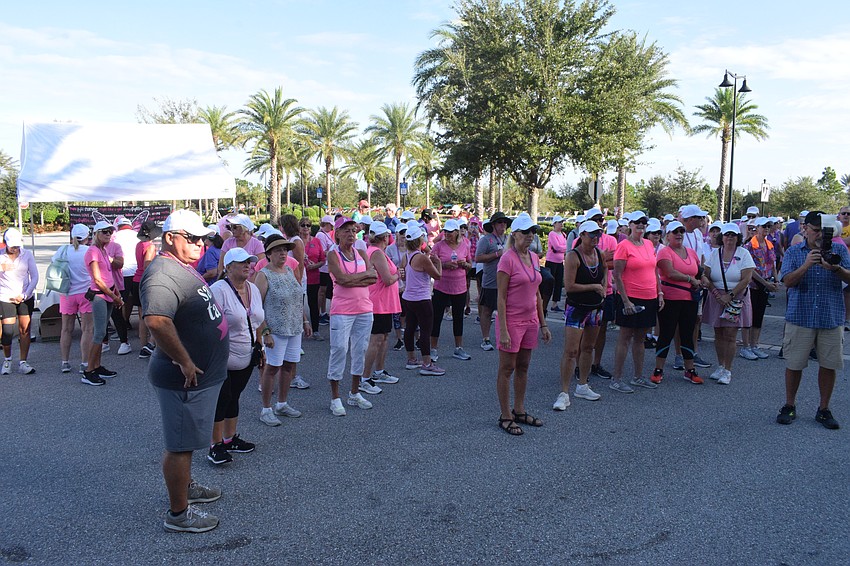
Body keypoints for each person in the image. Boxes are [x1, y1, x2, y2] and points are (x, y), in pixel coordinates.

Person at [140, 209, 225, 533]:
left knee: (186, 441)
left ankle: (185, 486)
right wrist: (185, 360)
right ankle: (178, 514)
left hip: (198, 377)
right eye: (192, 238)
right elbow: (156, 321)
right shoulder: (162, 273)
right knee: (180, 445)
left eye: (203, 239)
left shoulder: (180, 265)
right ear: (170, 238)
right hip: (182, 379)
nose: (200, 244)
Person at [776, 211, 850, 429]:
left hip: (830, 316)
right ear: (805, 229)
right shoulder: (794, 251)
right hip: (800, 316)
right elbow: (787, 282)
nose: (819, 235)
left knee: (828, 365)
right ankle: (789, 405)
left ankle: (824, 409)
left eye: (823, 231)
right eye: (815, 230)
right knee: (794, 364)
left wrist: (836, 268)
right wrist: (807, 265)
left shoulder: (838, 250)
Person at [495, 213, 551, 435]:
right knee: (507, 367)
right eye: (526, 232)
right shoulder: (507, 259)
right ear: (515, 234)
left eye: (533, 232)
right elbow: (500, 297)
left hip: (531, 320)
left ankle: (519, 409)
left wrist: (543, 324)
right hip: (512, 320)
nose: (530, 235)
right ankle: (505, 415)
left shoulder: (534, 258)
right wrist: (504, 329)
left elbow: (537, 294)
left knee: (524, 366)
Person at [207, 248, 263, 464]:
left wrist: (260, 344)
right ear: (228, 267)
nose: (248, 265)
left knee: (235, 396)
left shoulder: (253, 288)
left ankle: (230, 439)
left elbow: (257, 320)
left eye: (249, 261)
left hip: (247, 353)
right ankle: (215, 445)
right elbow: (209, 324)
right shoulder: (218, 290)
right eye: (242, 262)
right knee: (222, 398)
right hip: (223, 355)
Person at [326, 217, 378, 415]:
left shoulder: (361, 252)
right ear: (337, 233)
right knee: (339, 349)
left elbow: (373, 277)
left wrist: (352, 279)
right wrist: (361, 277)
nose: (351, 233)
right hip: (342, 310)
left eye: (353, 230)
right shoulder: (333, 255)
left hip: (364, 308)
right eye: (346, 230)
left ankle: (355, 393)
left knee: (360, 350)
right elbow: (341, 279)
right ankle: (335, 398)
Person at [254, 235, 308, 425]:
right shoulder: (263, 275)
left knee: (289, 366)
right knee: (272, 368)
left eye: (285, 250)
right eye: (278, 250)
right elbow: (256, 307)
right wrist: (265, 332)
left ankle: (282, 404)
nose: (283, 253)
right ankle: (266, 409)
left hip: (294, 328)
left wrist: (305, 321)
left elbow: (296, 298)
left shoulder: (289, 271)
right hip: (275, 330)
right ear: (269, 254)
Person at [554, 221, 605, 410]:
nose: (595, 238)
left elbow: (605, 272)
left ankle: (583, 385)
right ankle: (564, 393)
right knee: (571, 351)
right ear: (582, 235)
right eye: (591, 234)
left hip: (595, 308)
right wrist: (594, 287)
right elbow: (569, 286)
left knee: (589, 347)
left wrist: (603, 286)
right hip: (577, 308)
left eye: (598, 234)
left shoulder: (599, 254)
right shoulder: (573, 256)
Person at [610, 211, 663, 393]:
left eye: (644, 222)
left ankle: (638, 377)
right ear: (630, 225)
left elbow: (654, 271)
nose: (641, 225)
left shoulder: (648, 244)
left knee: (640, 338)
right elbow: (617, 275)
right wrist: (625, 301)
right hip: (630, 297)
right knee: (625, 337)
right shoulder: (623, 246)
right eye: (637, 222)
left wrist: (659, 292)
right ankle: (616, 379)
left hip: (649, 297)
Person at [701, 223, 755, 385]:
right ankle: (720, 366)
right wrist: (714, 292)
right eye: (726, 234)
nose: (729, 237)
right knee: (718, 333)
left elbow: (746, 279)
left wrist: (730, 296)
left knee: (730, 334)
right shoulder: (714, 254)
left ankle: (728, 370)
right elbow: (706, 275)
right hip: (716, 297)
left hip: (736, 298)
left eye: (733, 235)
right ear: (722, 237)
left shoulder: (744, 253)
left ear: (738, 237)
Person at [652, 221, 703, 384]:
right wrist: (690, 279)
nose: (679, 234)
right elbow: (670, 273)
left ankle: (690, 370)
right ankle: (658, 370)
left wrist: (703, 280)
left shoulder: (691, 252)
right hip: (670, 299)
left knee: (687, 334)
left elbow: (699, 271)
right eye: (675, 232)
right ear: (668, 235)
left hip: (690, 299)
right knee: (666, 334)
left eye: (681, 231)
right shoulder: (664, 252)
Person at [81, 221, 123, 385]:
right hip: (100, 297)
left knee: (102, 332)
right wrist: (114, 296)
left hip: (108, 295)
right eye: (104, 231)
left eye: (110, 232)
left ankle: (97, 366)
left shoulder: (103, 250)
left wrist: (116, 292)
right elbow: (98, 280)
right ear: (96, 234)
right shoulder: (93, 251)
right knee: (99, 334)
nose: (108, 234)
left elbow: (108, 274)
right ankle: (88, 371)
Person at [362, 223, 402, 386]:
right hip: (378, 302)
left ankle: (379, 371)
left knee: (384, 337)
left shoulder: (377, 251)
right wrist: (398, 274)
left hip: (384, 302)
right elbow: (387, 279)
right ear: (385, 237)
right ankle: (364, 377)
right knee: (376, 339)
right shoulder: (377, 253)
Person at [402, 223, 445, 375]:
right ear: (420, 240)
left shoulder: (407, 255)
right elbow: (437, 276)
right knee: (426, 330)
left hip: (409, 297)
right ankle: (427, 363)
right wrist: (438, 263)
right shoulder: (421, 257)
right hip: (422, 298)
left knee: (410, 327)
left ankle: (411, 359)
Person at [430, 219, 473, 361]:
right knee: (436, 318)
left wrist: (464, 264)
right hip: (441, 286)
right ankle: (433, 349)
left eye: (450, 232)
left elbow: (470, 264)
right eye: (445, 231)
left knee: (458, 317)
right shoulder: (438, 246)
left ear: (457, 232)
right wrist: (445, 265)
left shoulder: (464, 245)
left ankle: (458, 348)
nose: (447, 234)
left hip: (459, 287)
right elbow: (431, 263)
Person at [56, 224, 94, 374]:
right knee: (87, 329)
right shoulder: (89, 251)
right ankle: (84, 362)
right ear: (87, 237)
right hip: (86, 293)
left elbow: (54, 265)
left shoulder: (63, 250)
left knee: (66, 329)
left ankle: (65, 362)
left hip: (67, 293)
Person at [0, 228, 39, 375]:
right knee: (7, 331)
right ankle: (7, 360)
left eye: (17, 246)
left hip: (24, 297)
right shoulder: (1, 255)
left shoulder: (27, 254)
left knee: (25, 329)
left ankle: (23, 361)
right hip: (6, 297)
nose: (15, 249)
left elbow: (34, 276)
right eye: (12, 246)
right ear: (5, 243)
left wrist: (25, 294)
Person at [741, 217, 778, 360]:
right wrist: (765, 283)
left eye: (768, 226)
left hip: (765, 284)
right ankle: (746, 346)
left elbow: (772, 264)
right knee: (748, 316)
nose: (767, 229)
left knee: (759, 316)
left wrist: (776, 280)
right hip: (753, 285)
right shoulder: (750, 245)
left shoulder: (769, 244)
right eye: (764, 226)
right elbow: (750, 269)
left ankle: (754, 345)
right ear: (757, 228)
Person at [475, 212, 511, 351]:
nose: (503, 225)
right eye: (500, 222)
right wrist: (497, 254)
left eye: (505, 222)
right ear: (494, 225)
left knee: (507, 310)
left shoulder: (509, 239)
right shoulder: (486, 240)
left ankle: (505, 335)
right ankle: (485, 339)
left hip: (507, 281)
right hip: (490, 280)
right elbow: (478, 258)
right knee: (487, 310)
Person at [134, 221, 161, 359]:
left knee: (141, 317)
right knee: (152, 315)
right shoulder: (150, 246)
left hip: (136, 280)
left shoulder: (139, 245)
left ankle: (143, 345)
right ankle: (149, 345)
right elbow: (147, 265)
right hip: (145, 281)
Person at [112, 217, 138, 355]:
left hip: (122, 273)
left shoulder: (114, 236)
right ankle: (143, 331)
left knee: (121, 301)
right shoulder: (137, 235)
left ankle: (122, 327)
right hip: (138, 272)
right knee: (138, 302)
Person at [302, 217, 326, 340]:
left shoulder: (316, 241)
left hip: (313, 277)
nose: (306, 227)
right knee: (297, 304)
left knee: (313, 304)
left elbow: (322, 259)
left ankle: (315, 331)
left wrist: (314, 266)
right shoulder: (296, 242)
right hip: (299, 277)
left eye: (308, 225)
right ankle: (299, 330)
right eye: (303, 225)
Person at [315, 215, 336, 324]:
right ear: (326, 224)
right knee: (322, 292)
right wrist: (334, 253)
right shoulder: (321, 235)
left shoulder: (325, 234)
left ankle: (323, 312)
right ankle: (318, 313)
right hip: (323, 268)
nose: (332, 228)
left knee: (323, 291)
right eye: (330, 225)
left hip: (327, 267)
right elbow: (322, 252)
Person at [546, 215, 567, 312]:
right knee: (549, 283)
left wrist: (562, 248)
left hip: (560, 261)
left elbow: (563, 247)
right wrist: (563, 248)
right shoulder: (552, 234)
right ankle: (545, 302)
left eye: (562, 222)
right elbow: (557, 247)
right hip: (551, 261)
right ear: (554, 224)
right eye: (559, 222)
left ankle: (555, 304)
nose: (561, 224)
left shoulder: (563, 234)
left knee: (558, 283)